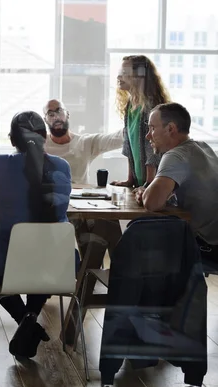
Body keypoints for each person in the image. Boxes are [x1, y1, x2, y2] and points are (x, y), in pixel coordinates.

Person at [0, 111, 72, 359]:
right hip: (59, 266)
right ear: (45, 137)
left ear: (12, 139)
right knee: (41, 258)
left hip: (12, 264)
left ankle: (25, 320)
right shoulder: (62, 166)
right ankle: (30, 318)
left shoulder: (0, 164)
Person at [135, 102, 218, 264]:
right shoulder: (203, 148)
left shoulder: (175, 155)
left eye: (152, 128)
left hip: (209, 246)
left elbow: (152, 203)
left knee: (138, 236)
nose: (148, 136)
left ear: (170, 129)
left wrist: (146, 194)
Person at [111, 55, 170, 189]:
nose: (119, 77)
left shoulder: (151, 106)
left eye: (124, 73)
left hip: (155, 184)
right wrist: (130, 180)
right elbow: (128, 144)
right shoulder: (130, 105)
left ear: (139, 76)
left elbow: (154, 147)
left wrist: (148, 184)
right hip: (140, 184)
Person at [43, 99, 123, 185]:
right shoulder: (38, 145)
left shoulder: (85, 143)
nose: (56, 117)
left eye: (59, 111)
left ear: (67, 114)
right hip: (48, 197)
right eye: (51, 114)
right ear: (45, 120)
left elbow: (118, 138)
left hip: (79, 197)